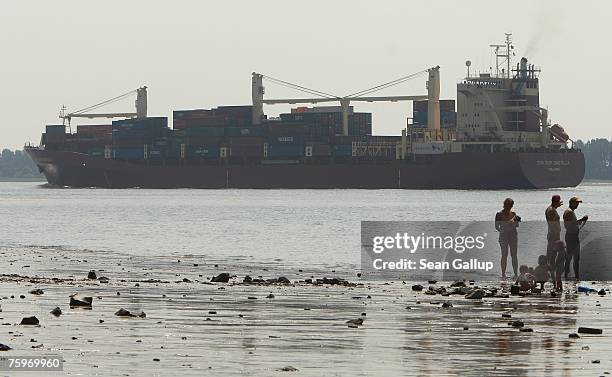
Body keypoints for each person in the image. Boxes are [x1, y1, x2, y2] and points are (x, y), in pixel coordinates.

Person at [563, 197, 588, 280]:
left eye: (578, 203)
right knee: (575, 258)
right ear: (571, 203)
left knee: (570, 257)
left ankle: (567, 275)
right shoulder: (569, 212)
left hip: (571, 236)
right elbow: (570, 225)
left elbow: (572, 224)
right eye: (576, 203)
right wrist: (582, 219)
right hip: (572, 237)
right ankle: (576, 277)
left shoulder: (570, 212)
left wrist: (581, 220)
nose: (577, 205)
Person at [495, 198, 520, 279]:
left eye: (510, 205)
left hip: (513, 236)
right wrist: (502, 230)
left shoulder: (513, 214)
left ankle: (516, 274)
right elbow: (496, 226)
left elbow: (517, 225)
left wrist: (515, 222)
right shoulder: (499, 214)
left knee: (514, 255)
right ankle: (503, 274)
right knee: (504, 255)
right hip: (503, 236)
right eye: (507, 205)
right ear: (504, 204)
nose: (509, 207)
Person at [545, 195, 563, 271]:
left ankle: (550, 268)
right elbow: (552, 223)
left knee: (552, 252)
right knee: (552, 252)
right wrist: (555, 233)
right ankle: (550, 269)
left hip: (553, 233)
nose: (560, 203)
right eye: (559, 201)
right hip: (553, 234)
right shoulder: (551, 210)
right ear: (556, 201)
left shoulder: (552, 209)